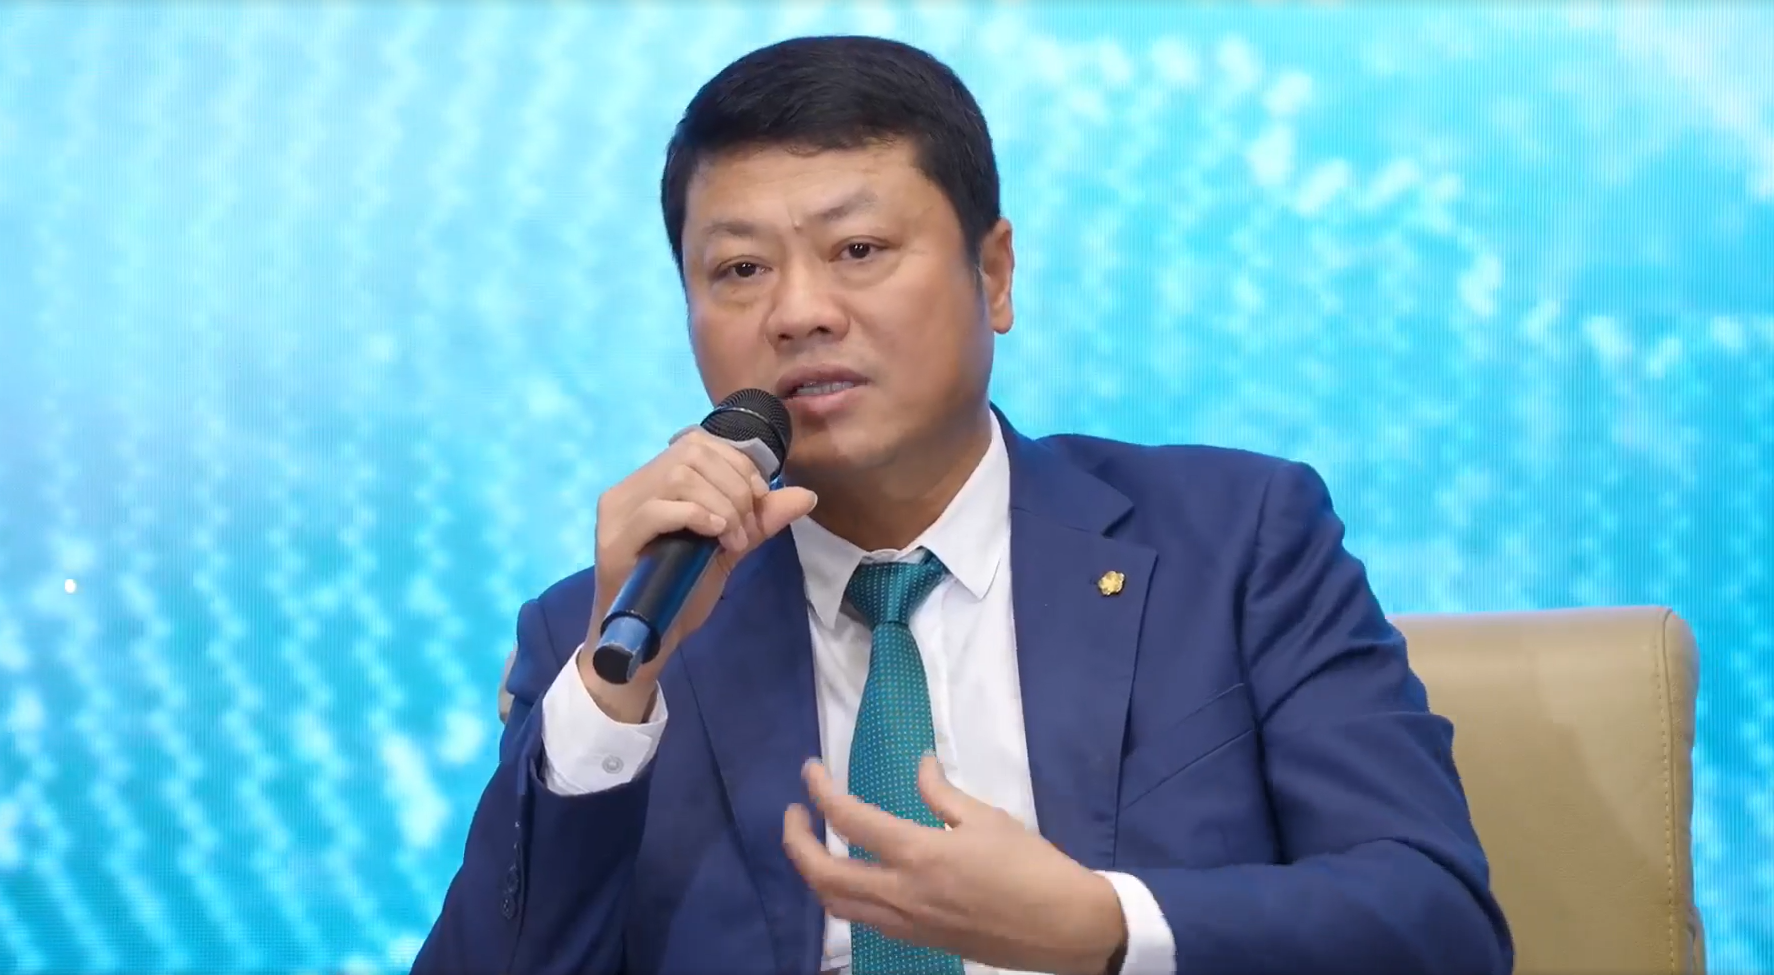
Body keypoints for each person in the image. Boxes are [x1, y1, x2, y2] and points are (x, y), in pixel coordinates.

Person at [413, 34, 1512, 975]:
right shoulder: (611, 629)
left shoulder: (1235, 539)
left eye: (858, 250)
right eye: (740, 271)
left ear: (994, 275)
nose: (799, 312)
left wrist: (1101, 926)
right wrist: (613, 694)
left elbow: (1437, 920)